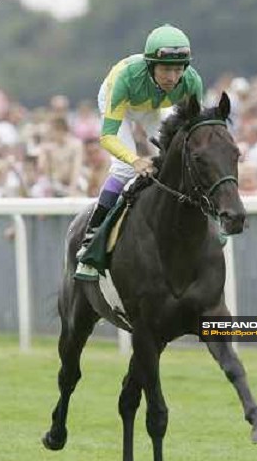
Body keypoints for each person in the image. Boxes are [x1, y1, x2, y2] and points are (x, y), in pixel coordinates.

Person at [75, 24, 203, 280]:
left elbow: (195, 131)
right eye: (166, 69)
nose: (173, 77)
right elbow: (108, 137)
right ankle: (91, 238)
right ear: (151, 65)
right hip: (119, 101)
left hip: (152, 107)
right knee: (123, 168)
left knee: (182, 151)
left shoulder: (191, 81)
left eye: (178, 69)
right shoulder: (125, 79)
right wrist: (135, 160)